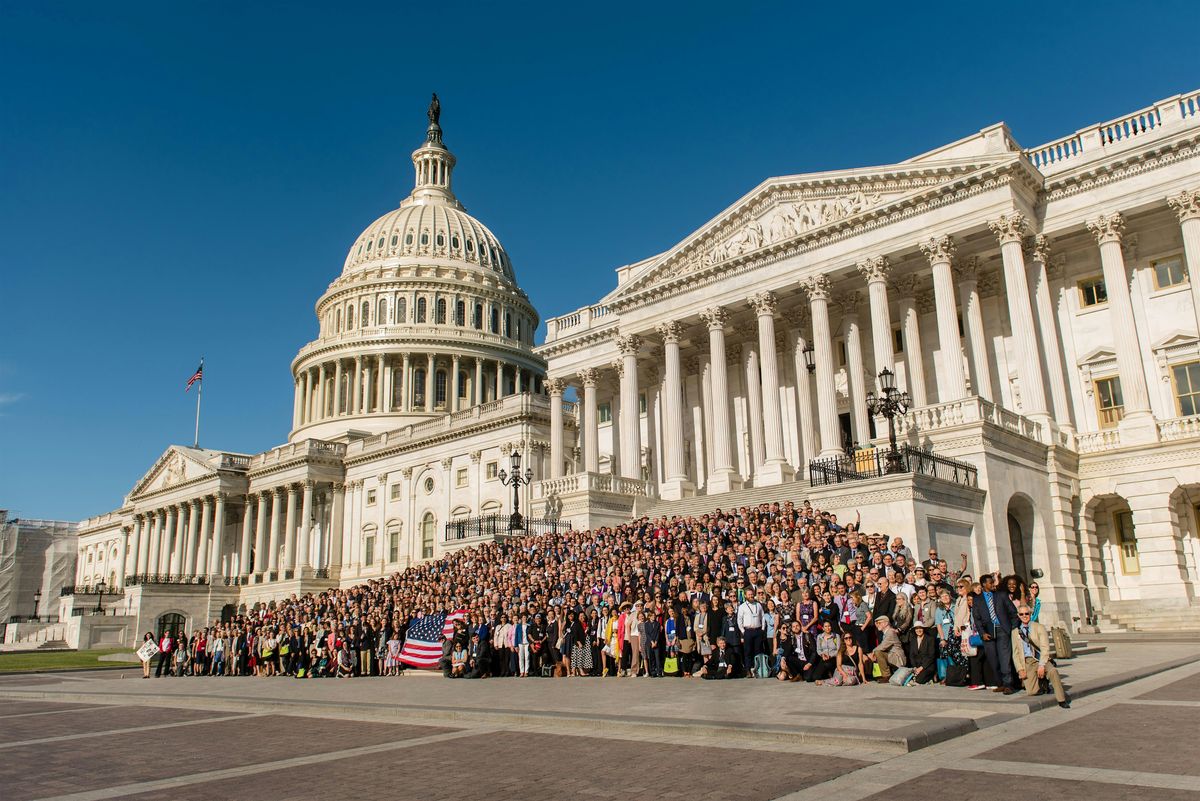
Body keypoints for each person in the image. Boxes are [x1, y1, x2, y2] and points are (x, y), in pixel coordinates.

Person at [1012, 604, 1070, 708]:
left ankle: (1061, 699)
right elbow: (1015, 653)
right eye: (1021, 614)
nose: (1024, 616)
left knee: (1053, 672)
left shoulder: (1039, 627)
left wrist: (1042, 665)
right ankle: (1042, 682)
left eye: (1027, 613)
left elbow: (1045, 648)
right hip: (1028, 661)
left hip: (1040, 658)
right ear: (1018, 615)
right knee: (1031, 692)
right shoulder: (1015, 632)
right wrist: (1020, 669)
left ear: (1030, 614)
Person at [971, 574, 1017, 694]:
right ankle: (1000, 683)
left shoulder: (1001, 595)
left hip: (1002, 630)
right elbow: (977, 619)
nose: (993, 584)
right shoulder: (977, 599)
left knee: (1004, 658)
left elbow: (1013, 611)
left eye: (993, 582)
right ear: (983, 585)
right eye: (990, 583)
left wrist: (1011, 627)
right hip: (988, 633)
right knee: (993, 659)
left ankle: (1008, 684)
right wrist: (982, 633)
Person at [865, 616, 906, 683]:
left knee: (878, 652)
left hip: (898, 659)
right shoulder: (887, 632)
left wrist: (872, 652)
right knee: (877, 652)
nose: (877, 625)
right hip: (891, 655)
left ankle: (886, 676)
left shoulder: (890, 632)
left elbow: (883, 646)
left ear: (886, 623)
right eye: (876, 623)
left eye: (879, 623)